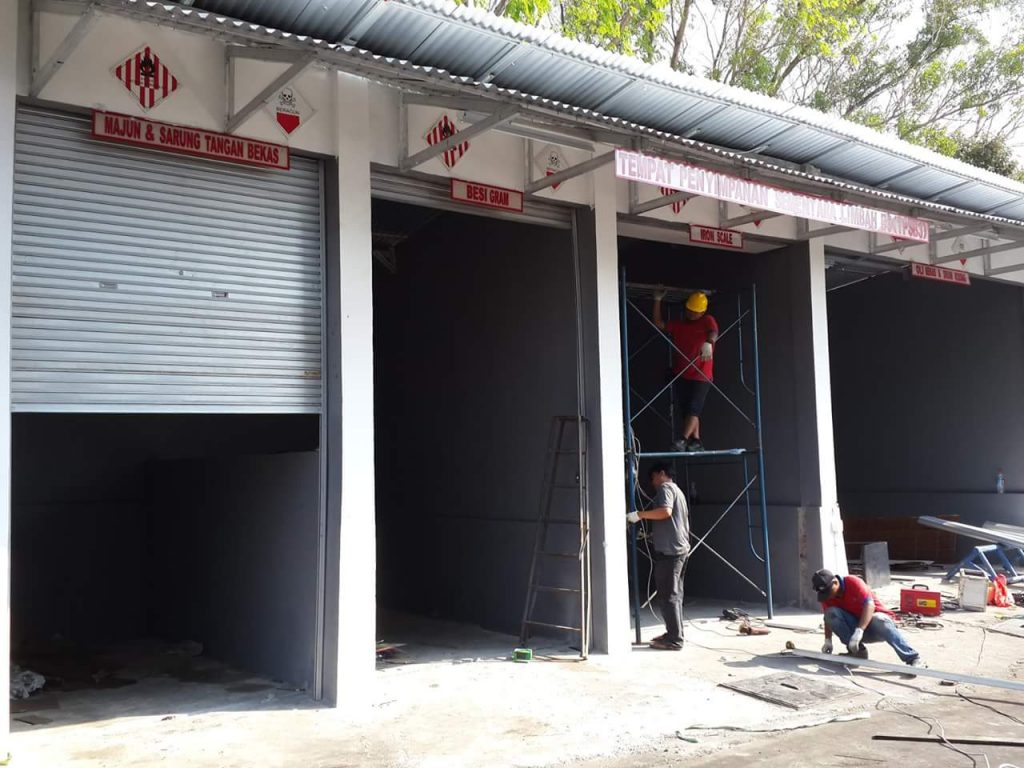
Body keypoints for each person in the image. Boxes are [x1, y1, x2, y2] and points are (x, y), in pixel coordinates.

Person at [626, 462, 690, 650]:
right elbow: (672, 520)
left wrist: (639, 515)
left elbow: (665, 512)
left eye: (653, 477)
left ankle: (674, 640)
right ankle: (674, 633)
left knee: (668, 596)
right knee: (675, 595)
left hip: (670, 552)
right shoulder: (677, 490)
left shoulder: (666, 488)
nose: (653, 483)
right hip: (678, 549)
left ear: (662, 473)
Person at [812, 568, 923, 667]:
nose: (828, 596)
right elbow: (828, 617)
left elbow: (870, 605)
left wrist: (859, 631)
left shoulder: (853, 582)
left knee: (879, 618)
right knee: (831, 613)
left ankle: (913, 658)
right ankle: (858, 652)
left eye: (829, 592)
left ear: (835, 582)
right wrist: (828, 640)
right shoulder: (827, 596)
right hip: (855, 630)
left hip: (878, 627)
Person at [653, 288, 718, 452]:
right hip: (682, 373)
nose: (692, 314)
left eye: (695, 312)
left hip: (702, 375)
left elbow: (714, 331)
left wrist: (709, 342)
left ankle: (682, 440)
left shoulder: (707, 321)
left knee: (694, 408)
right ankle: (696, 441)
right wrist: (657, 300)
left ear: (703, 311)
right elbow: (659, 324)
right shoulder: (679, 325)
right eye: (689, 310)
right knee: (688, 411)